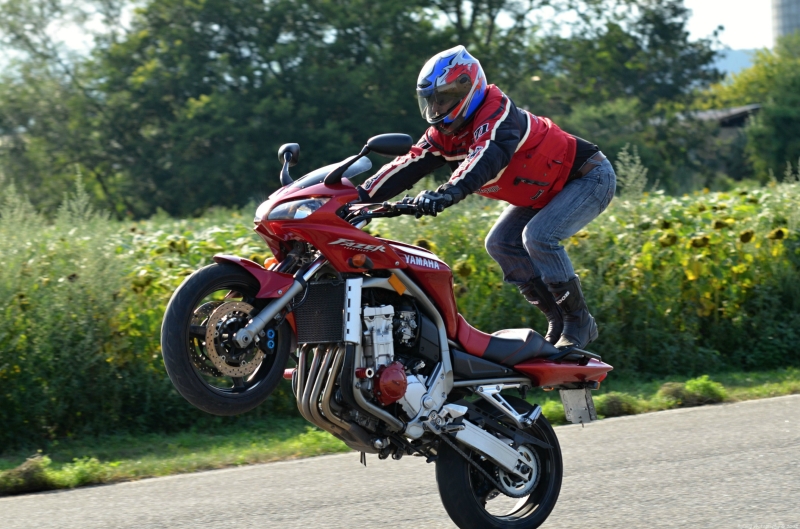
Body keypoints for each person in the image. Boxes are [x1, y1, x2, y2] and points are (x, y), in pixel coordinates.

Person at [356, 45, 616, 350]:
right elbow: (406, 164)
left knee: (538, 236)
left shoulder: (499, 113)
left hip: (588, 177)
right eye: (431, 100)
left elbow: (486, 155)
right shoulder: (443, 134)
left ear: (468, 88)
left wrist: (448, 192)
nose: (437, 108)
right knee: (500, 242)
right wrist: (355, 196)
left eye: (443, 99)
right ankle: (558, 320)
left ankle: (579, 323)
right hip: (544, 191)